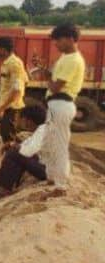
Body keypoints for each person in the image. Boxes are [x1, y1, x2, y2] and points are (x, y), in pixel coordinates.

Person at [37, 23, 86, 190]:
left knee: (59, 145)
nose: (56, 44)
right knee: (50, 143)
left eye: (59, 40)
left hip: (61, 103)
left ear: (71, 39)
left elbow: (56, 87)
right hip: (56, 104)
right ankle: (52, 179)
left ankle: (61, 185)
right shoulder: (66, 58)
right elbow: (56, 82)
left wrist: (47, 78)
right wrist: (46, 72)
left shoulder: (73, 60)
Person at [0, 105, 48, 197]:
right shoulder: (42, 129)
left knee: (14, 154)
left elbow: (27, 150)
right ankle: (8, 185)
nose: (22, 122)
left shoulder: (42, 131)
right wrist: (11, 145)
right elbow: (27, 144)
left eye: (23, 119)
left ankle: (3, 189)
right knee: (16, 152)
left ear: (29, 121)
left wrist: (14, 147)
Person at [0, 36, 29, 143]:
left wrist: (1, 109)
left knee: (9, 140)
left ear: (3, 49)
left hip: (12, 109)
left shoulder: (14, 64)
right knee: (7, 137)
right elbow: (25, 81)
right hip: (9, 107)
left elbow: (17, 90)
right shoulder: (6, 63)